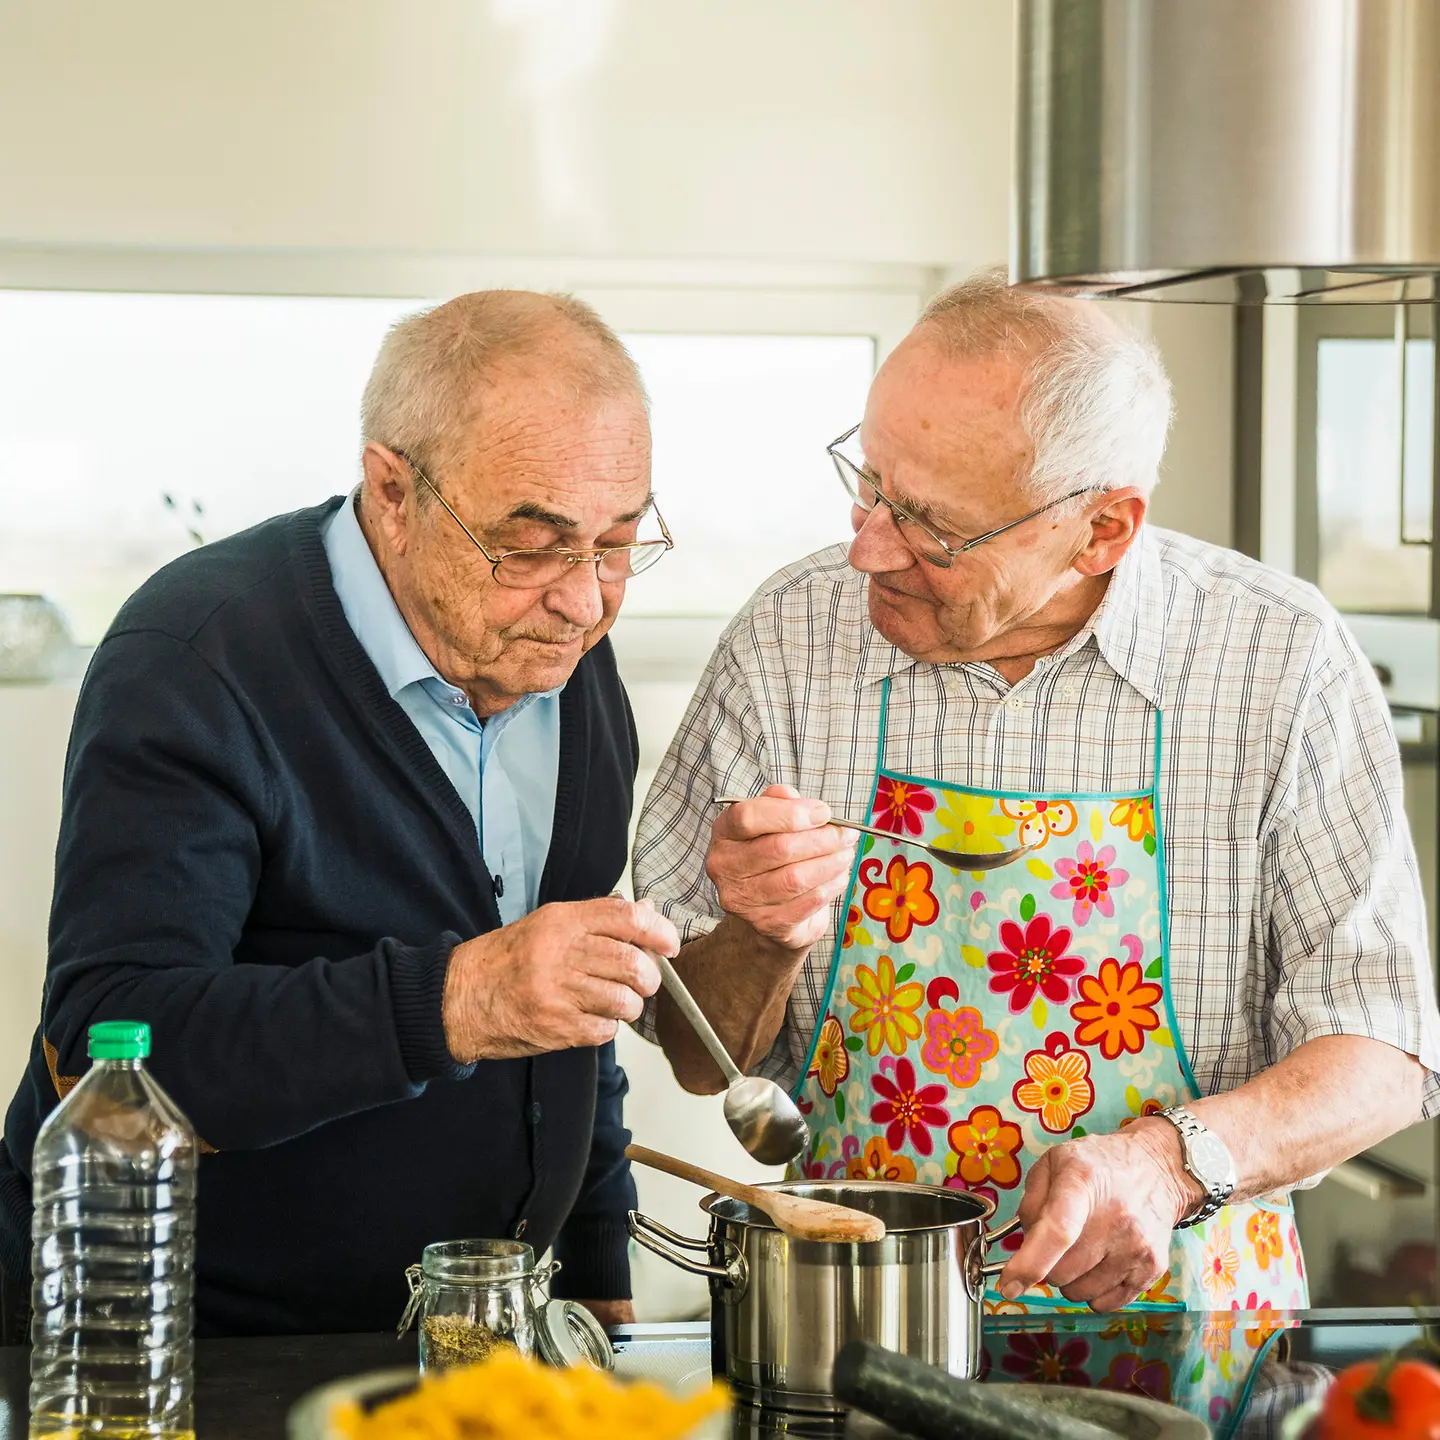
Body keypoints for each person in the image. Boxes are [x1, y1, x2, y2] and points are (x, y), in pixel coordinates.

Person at [633, 270, 1440, 1315]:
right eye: (869, 482)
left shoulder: (1279, 659)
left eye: (930, 524)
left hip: (1189, 1329)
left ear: (1102, 528)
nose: (867, 546)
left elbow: (1384, 1050)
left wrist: (1168, 1164)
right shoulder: (788, 640)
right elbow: (701, 1061)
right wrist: (760, 932)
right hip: (857, 1315)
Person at [0, 290, 681, 1341]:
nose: (585, 602)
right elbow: (108, 1045)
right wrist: (458, 999)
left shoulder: (561, 654)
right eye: (529, 545)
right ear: (394, 492)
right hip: (179, 1344)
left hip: (464, 1339)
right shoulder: (195, 655)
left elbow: (569, 1011)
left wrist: (596, 1272)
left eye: (618, 543)